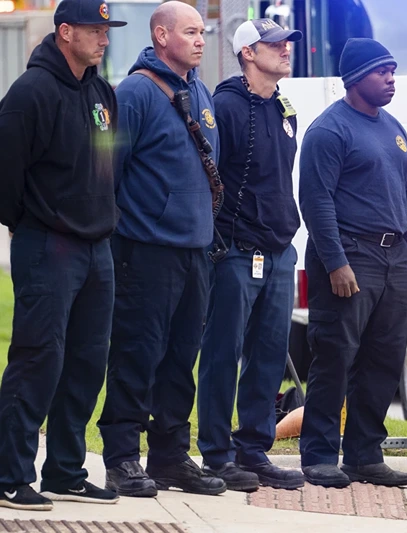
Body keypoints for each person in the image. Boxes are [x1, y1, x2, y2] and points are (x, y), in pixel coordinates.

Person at [0, 0, 126, 511]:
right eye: (95, 30)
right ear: (65, 31)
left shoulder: (101, 92)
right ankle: (10, 475)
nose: (104, 39)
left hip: (98, 247)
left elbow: (108, 164)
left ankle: (65, 472)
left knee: (86, 363)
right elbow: (6, 176)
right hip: (47, 244)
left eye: (107, 30)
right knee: (38, 359)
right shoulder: (30, 93)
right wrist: (30, 222)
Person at [97, 0, 225, 498]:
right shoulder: (133, 93)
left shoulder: (201, 93)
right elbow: (107, 171)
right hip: (144, 250)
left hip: (195, 251)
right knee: (136, 354)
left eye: (202, 32)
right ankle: (122, 457)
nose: (200, 39)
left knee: (180, 361)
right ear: (160, 36)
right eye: (190, 32)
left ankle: (170, 457)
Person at [299, 38, 407, 488]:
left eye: (394, 70)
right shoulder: (329, 131)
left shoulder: (394, 127)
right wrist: (335, 262)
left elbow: (406, 193)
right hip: (351, 255)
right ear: (356, 78)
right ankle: (319, 455)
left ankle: (364, 454)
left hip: (395, 257)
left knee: (385, 358)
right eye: (382, 72)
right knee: (335, 356)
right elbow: (315, 201)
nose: (391, 78)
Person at [196, 18, 305, 492]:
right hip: (238, 251)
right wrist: (220, 242)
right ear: (247, 53)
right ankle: (217, 455)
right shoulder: (224, 106)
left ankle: (254, 450)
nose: (285, 50)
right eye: (274, 44)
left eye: (286, 43)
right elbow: (210, 179)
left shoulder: (284, 105)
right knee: (223, 352)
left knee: (269, 354)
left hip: (280, 250)